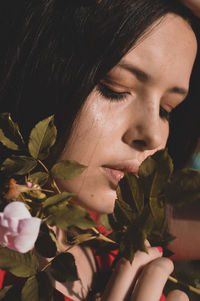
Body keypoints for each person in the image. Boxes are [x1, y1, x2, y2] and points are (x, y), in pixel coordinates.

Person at [0, 0, 200, 300]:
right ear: (41, 69)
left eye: (166, 109)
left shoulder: (115, 245)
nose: (154, 135)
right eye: (115, 88)